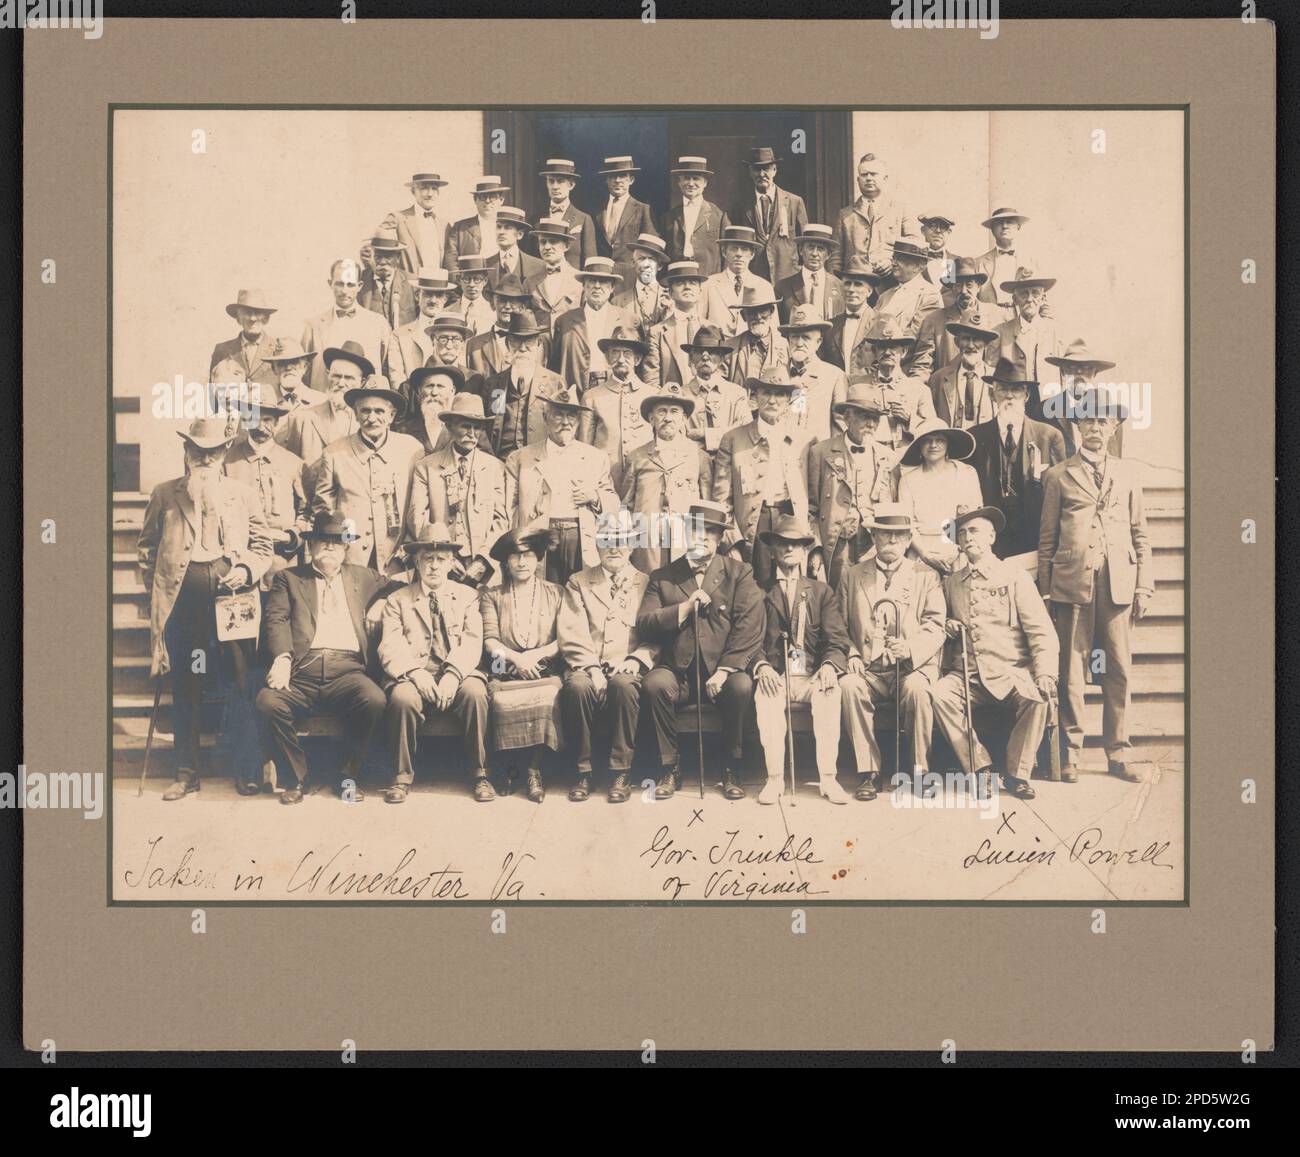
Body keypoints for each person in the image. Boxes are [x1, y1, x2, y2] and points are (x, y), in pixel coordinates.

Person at [136, 417, 274, 800]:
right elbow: (146, 550)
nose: (205, 458)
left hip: (233, 604)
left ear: (224, 453)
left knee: (241, 683)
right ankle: (187, 772)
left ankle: (246, 769)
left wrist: (246, 569)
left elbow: (264, 548)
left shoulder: (242, 494)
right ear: (187, 452)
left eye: (212, 452)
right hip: (188, 608)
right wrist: (161, 592)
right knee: (189, 685)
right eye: (198, 451)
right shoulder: (166, 494)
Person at [1038, 388, 1151, 783]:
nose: (1095, 429)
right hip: (1072, 583)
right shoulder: (1057, 476)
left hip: (1118, 583)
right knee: (1072, 670)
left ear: (1114, 427)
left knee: (1118, 669)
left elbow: (1141, 534)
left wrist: (1144, 586)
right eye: (1088, 422)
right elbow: (1048, 540)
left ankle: (1117, 753)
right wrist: (1046, 589)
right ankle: (1070, 755)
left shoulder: (1128, 474)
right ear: (1075, 427)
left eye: (1103, 422)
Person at [255, 513, 387, 804]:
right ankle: (295, 778)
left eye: (336, 543)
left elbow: (396, 587)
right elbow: (276, 619)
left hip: (347, 672)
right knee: (268, 702)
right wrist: (282, 658)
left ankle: (347, 776)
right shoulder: (289, 579)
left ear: (345, 549)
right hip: (302, 670)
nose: (329, 547)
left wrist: (382, 601)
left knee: (374, 700)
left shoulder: (363, 577)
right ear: (311, 546)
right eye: (322, 542)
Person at [636, 500, 764, 800]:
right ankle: (669, 766)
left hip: (721, 670)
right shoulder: (663, 576)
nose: (701, 538)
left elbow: (750, 625)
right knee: (654, 685)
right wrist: (682, 608)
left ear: (719, 539)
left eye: (710, 532)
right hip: (677, 673)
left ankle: (731, 766)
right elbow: (644, 623)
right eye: (695, 530)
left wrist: (724, 670)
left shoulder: (739, 573)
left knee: (742, 686)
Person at [931, 505, 1059, 801]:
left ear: (991, 536)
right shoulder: (951, 583)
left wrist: (1045, 672)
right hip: (968, 674)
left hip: (1010, 670)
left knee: (1038, 698)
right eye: (961, 533)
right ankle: (980, 767)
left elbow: (1040, 631)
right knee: (938, 694)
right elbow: (937, 621)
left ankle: (1017, 774)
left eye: (974, 531)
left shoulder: (1014, 576)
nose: (967, 538)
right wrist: (947, 625)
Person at [837, 505, 946, 800]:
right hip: (869, 669)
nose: (892, 542)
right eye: (885, 534)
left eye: (899, 535)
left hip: (910, 667)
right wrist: (851, 654)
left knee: (919, 691)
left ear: (909, 538)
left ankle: (920, 770)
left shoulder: (925, 575)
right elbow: (838, 625)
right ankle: (868, 772)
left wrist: (910, 647)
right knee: (848, 685)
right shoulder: (853, 574)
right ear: (874, 536)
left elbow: (937, 624)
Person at [379, 523, 490, 803]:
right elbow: (389, 645)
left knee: (476, 694)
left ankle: (480, 773)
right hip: (415, 674)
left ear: (451, 563)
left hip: (458, 672)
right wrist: (416, 672)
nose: (434, 566)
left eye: (441, 559)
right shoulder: (397, 600)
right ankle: (402, 777)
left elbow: (472, 640)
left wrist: (453, 674)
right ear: (416, 561)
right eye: (428, 558)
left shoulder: (467, 597)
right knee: (402, 698)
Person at [556, 511, 659, 802]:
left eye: (622, 540)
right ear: (597, 544)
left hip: (628, 664)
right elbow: (571, 631)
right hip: (587, 664)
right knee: (577, 687)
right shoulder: (579, 581)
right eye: (607, 540)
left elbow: (655, 633)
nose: (614, 548)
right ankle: (583, 770)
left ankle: (620, 771)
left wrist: (636, 659)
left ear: (632, 545)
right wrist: (591, 668)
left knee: (624, 685)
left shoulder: (646, 582)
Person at [751, 515, 852, 805]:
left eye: (796, 544)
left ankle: (829, 779)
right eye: (783, 544)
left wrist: (830, 665)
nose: (789, 550)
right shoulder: (758, 591)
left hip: (811, 675)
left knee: (830, 692)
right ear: (772, 550)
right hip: (777, 674)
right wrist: (761, 665)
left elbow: (837, 639)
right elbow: (747, 640)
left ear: (805, 550)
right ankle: (774, 780)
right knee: (766, 697)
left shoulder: (821, 592)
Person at [479, 526, 567, 803]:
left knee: (548, 694)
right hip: (504, 666)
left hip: (544, 667)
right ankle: (510, 767)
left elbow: (564, 638)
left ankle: (533, 770)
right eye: (514, 556)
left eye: (527, 556)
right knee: (500, 701)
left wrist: (535, 657)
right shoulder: (492, 595)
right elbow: (490, 640)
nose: (521, 562)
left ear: (539, 558)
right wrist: (517, 659)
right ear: (505, 561)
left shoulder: (557, 593)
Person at [503, 389, 618, 586]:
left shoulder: (595, 457)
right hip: (541, 537)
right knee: (543, 594)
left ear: (579, 421)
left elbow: (614, 502)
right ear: (545, 418)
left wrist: (595, 497)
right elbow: (508, 508)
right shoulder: (521, 458)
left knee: (579, 596)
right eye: (558, 414)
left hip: (580, 537)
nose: (565, 422)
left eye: (571, 415)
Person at [713, 369, 815, 588]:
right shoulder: (733, 439)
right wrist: (731, 543)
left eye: (779, 394)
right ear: (755, 397)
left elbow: (814, 499)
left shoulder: (805, 440)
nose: (772, 400)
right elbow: (723, 498)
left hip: (791, 517)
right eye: (766, 392)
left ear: (788, 400)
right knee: (755, 588)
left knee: (791, 587)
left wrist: (813, 544)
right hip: (754, 522)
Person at [311, 379, 424, 574]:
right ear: (355, 414)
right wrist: (339, 551)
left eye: (379, 411)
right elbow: (323, 511)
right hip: (350, 559)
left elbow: (420, 508)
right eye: (365, 411)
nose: (372, 418)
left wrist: (404, 555)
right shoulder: (335, 453)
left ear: (392, 415)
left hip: (397, 560)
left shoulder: (412, 450)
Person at [968, 358, 1067, 559]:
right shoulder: (975, 437)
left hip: (1034, 535)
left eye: (1017, 389)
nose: (1010, 396)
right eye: (1003, 389)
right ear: (992, 394)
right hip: (990, 539)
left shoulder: (1049, 436)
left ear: (1027, 395)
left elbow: (1061, 493)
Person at [407, 392, 508, 569]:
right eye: (465, 426)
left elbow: (501, 521)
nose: (471, 433)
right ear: (450, 427)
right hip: (439, 562)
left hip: (482, 563)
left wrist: (484, 560)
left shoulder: (495, 468)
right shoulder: (426, 467)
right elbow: (417, 518)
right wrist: (443, 555)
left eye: (477, 428)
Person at [807, 381, 891, 591]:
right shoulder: (821, 452)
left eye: (875, 418)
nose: (871, 424)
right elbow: (811, 508)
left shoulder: (888, 457)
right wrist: (815, 547)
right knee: (839, 596)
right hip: (837, 543)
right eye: (864, 417)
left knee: (871, 597)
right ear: (846, 418)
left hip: (873, 543)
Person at [620, 387, 712, 573]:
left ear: (684, 419)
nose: (668, 417)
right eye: (661, 411)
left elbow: (707, 506)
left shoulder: (699, 457)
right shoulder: (637, 457)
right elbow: (626, 506)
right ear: (651, 419)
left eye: (674, 411)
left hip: (685, 540)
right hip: (647, 543)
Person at [222, 401, 310, 587]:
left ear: (276, 422)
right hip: (238, 563)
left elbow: (306, 512)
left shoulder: (293, 463)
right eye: (253, 419)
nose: (261, 426)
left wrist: (291, 536)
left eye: (267, 420)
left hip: (282, 562)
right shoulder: (228, 461)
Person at [474, 309, 566, 457]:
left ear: (538, 344)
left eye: (529, 341)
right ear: (508, 345)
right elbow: (485, 427)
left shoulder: (555, 383)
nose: (523, 348)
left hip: (539, 462)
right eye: (517, 341)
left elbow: (562, 427)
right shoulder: (495, 384)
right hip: (500, 462)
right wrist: (490, 459)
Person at [896, 419, 983, 574]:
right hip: (921, 554)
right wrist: (925, 554)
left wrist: (958, 549)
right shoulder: (908, 480)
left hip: (960, 552)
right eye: (927, 441)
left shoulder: (966, 473)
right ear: (919, 447)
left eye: (940, 440)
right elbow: (907, 523)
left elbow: (975, 517)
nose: (933, 445)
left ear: (948, 444)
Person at [277, 342, 367, 488]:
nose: (341, 383)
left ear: (361, 382)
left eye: (349, 378)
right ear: (328, 375)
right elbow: (291, 471)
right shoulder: (302, 419)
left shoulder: (369, 422)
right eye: (337, 376)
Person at [582, 325, 655, 490]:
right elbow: (584, 450)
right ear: (607, 358)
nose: (621, 359)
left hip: (643, 483)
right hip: (605, 483)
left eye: (627, 353)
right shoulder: (592, 397)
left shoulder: (652, 396)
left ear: (637, 359)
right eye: (615, 352)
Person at [301, 258, 391, 390]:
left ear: (360, 286)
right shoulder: (314, 326)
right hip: (323, 402)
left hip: (362, 406)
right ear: (330, 284)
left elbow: (384, 365)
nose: (344, 291)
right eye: (339, 284)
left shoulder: (377, 324)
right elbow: (304, 372)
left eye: (350, 285)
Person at [552, 256, 635, 391]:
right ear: (584, 285)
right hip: (576, 389)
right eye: (592, 281)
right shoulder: (565, 321)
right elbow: (555, 364)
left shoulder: (629, 320)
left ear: (612, 287)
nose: (597, 286)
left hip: (615, 389)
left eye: (603, 281)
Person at [733, 145, 810, 284]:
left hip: (788, 277)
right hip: (755, 277)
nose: (762, 174)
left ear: (774, 170)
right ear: (750, 172)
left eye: (766, 169)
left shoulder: (794, 202)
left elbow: (805, 242)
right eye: (757, 169)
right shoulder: (741, 206)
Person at [861, 316, 935, 461]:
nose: (887, 352)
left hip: (903, 458)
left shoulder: (919, 389)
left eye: (893, 347)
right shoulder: (858, 385)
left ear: (904, 351)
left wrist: (909, 419)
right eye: (882, 347)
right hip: (867, 457)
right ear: (875, 352)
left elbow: (932, 430)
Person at [835, 153, 915, 281]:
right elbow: (836, 255)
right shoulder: (845, 214)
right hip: (856, 284)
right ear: (858, 180)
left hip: (891, 282)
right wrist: (836, 285)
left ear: (885, 178)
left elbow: (913, 244)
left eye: (874, 174)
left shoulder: (900, 210)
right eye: (864, 174)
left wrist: (892, 261)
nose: (869, 178)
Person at [993, 265, 1063, 406]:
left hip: (1048, 406)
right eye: (1024, 293)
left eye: (1035, 293)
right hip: (1014, 402)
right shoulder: (1000, 332)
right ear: (1014, 299)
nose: (1030, 299)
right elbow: (992, 375)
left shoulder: (1054, 332)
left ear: (1043, 298)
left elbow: (1064, 375)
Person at [911, 257, 993, 376]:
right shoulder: (934, 320)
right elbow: (922, 364)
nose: (964, 291)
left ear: (978, 287)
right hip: (947, 390)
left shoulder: (995, 316)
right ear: (951, 288)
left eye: (969, 285)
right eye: (958, 285)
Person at [1040, 340, 1124, 456]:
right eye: (1072, 367)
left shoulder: (1110, 414)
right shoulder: (1043, 411)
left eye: (1087, 368)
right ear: (1063, 372)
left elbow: (1114, 462)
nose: (1079, 372)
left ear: (1095, 373)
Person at [780, 304, 849, 442]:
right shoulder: (777, 374)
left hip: (815, 458)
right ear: (788, 339)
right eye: (794, 337)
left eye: (806, 337)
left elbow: (840, 428)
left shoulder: (834, 376)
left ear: (818, 342)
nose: (799, 343)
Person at [385, 268, 457, 397]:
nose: (433, 300)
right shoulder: (399, 336)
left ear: (445, 299)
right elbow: (397, 380)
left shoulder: (457, 334)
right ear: (418, 295)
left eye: (439, 295)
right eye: (428, 294)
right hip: (413, 404)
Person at [679, 323, 750, 453]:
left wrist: (704, 434)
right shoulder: (681, 396)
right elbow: (679, 436)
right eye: (700, 351)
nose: (705, 357)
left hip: (728, 465)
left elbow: (743, 431)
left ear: (722, 358)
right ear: (691, 357)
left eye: (712, 351)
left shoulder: (737, 394)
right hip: (694, 465)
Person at [466, 274, 551, 377]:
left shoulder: (539, 343)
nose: (507, 306)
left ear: (522, 307)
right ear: (493, 304)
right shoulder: (475, 345)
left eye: (513, 302)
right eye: (502, 300)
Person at [927, 313, 999, 430]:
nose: (971, 345)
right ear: (956, 342)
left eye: (976, 339)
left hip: (986, 446)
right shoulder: (938, 379)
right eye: (965, 339)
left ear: (986, 344)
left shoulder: (997, 379)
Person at [660, 156, 730, 275]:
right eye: (687, 178)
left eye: (696, 179)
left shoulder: (718, 215)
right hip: (678, 276)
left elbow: (728, 251)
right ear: (679, 182)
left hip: (709, 277)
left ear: (705, 183)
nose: (691, 183)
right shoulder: (669, 217)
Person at [595, 156, 658, 288]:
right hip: (602, 275)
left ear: (631, 180)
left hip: (631, 276)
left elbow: (650, 249)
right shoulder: (596, 209)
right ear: (606, 180)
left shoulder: (642, 209)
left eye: (623, 176)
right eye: (613, 176)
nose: (618, 181)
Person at [701, 225, 775, 337]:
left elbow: (773, 329)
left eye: (744, 249)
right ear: (724, 252)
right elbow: (699, 321)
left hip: (751, 350)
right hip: (718, 350)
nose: (739, 254)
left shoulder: (764, 286)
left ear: (752, 254)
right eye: (734, 248)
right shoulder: (708, 284)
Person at [648, 260, 709, 387]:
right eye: (680, 283)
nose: (687, 287)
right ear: (670, 292)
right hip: (671, 401)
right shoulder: (657, 332)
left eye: (692, 283)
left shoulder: (713, 328)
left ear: (700, 291)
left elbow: (720, 374)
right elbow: (651, 381)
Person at [210, 288, 279, 396]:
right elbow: (213, 394)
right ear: (238, 318)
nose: (252, 318)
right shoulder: (222, 350)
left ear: (266, 318)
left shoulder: (278, 349)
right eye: (247, 312)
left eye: (258, 312)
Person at [975, 208, 1037, 320]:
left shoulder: (1031, 261)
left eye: (1010, 222)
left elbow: (1043, 297)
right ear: (992, 230)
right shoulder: (979, 262)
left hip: (1022, 318)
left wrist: (1046, 324)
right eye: (999, 223)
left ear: (1018, 227)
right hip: (989, 320)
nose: (1004, 226)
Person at [535, 158, 597, 269]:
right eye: (551, 181)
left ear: (571, 185)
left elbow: (590, 263)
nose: (555, 186)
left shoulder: (583, 219)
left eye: (560, 181)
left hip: (573, 283)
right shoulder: (536, 219)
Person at [776, 223, 844, 322]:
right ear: (801, 250)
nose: (815, 253)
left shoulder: (840, 287)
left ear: (828, 254)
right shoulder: (782, 287)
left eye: (820, 249)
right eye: (811, 247)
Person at [611, 232, 673, 339]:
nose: (646, 264)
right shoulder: (617, 302)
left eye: (652, 259)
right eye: (641, 258)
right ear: (632, 262)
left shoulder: (672, 301)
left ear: (660, 266)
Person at [823, 258, 880, 375]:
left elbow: (883, 363)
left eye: (858, 284)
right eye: (847, 283)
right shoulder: (830, 326)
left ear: (869, 291)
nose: (851, 289)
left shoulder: (879, 323)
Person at [384, 170, 448, 273]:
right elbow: (370, 250)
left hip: (439, 286)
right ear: (413, 192)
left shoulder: (444, 225)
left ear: (438, 193)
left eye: (434, 189)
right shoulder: (397, 218)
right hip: (407, 286)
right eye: (424, 188)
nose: (430, 194)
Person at [525, 215, 584, 322]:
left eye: (553, 241)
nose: (547, 247)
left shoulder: (580, 281)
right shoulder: (530, 282)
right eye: (543, 242)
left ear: (566, 246)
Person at [444, 176, 509, 272]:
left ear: (501, 200)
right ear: (475, 200)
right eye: (483, 197)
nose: (487, 201)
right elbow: (451, 263)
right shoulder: (460, 228)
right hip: (470, 283)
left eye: (492, 196)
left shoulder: (510, 228)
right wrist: (462, 284)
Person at [728, 284, 790, 384]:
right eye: (752, 312)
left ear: (772, 312)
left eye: (763, 311)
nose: (758, 317)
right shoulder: (730, 347)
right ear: (744, 316)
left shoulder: (785, 345)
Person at [358, 227, 418, 329]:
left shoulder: (413, 282)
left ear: (398, 258)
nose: (382, 262)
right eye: (378, 256)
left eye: (388, 257)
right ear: (371, 256)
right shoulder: (359, 281)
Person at [394, 364, 459, 454]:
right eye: (429, 386)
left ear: (452, 391)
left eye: (440, 386)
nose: (434, 393)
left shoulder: (462, 429)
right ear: (420, 391)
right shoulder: (404, 430)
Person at [486, 206, 545, 288]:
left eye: (507, 228)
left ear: (520, 234)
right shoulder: (485, 265)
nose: (501, 232)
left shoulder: (538, 266)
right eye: (498, 227)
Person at [916, 212, 963, 300]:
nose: (938, 231)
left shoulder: (958, 262)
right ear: (923, 230)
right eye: (933, 225)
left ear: (949, 232)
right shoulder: (914, 260)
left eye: (943, 227)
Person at [451, 254, 497, 336]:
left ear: (485, 281)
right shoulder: (448, 311)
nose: (471, 284)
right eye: (466, 279)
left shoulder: (493, 312)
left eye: (477, 279)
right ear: (459, 280)